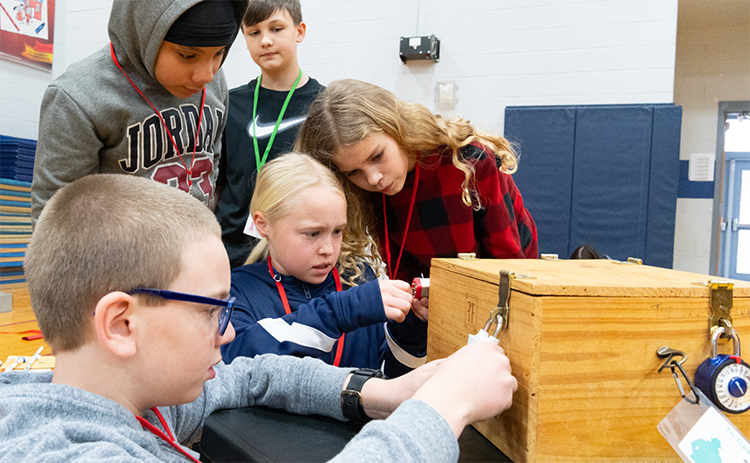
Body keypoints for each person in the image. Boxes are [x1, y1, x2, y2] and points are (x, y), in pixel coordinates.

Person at [3, 174, 518, 462]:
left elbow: (251, 376)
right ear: (121, 324)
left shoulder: (126, 402)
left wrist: (377, 392)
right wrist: (443, 407)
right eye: (211, 311)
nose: (226, 332)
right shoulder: (69, 456)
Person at [296, 79, 540, 283]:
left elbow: (508, 259)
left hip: (510, 276)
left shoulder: (470, 162)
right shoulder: (368, 191)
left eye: (378, 156)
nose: (374, 179)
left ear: (397, 128)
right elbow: (402, 266)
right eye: (354, 172)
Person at [31, 0, 247, 225]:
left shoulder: (215, 82)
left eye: (219, 53)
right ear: (144, 34)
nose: (206, 75)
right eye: (187, 55)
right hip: (120, 255)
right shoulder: (77, 96)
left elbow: (213, 158)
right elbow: (54, 212)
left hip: (194, 246)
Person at [221, 153, 427, 378]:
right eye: (313, 233)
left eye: (337, 231)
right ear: (263, 225)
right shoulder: (235, 289)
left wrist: (410, 332)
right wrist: (342, 311)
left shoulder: (357, 278)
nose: (328, 249)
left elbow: (392, 380)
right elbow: (235, 365)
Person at [215, 0, 325, 268]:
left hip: (298, 258)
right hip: (234, 255)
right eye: (254, 32)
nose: (265, 41)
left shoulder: (326, 105)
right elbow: (218, 186)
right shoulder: (230, 103)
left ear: (299, 31)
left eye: (276, 29)